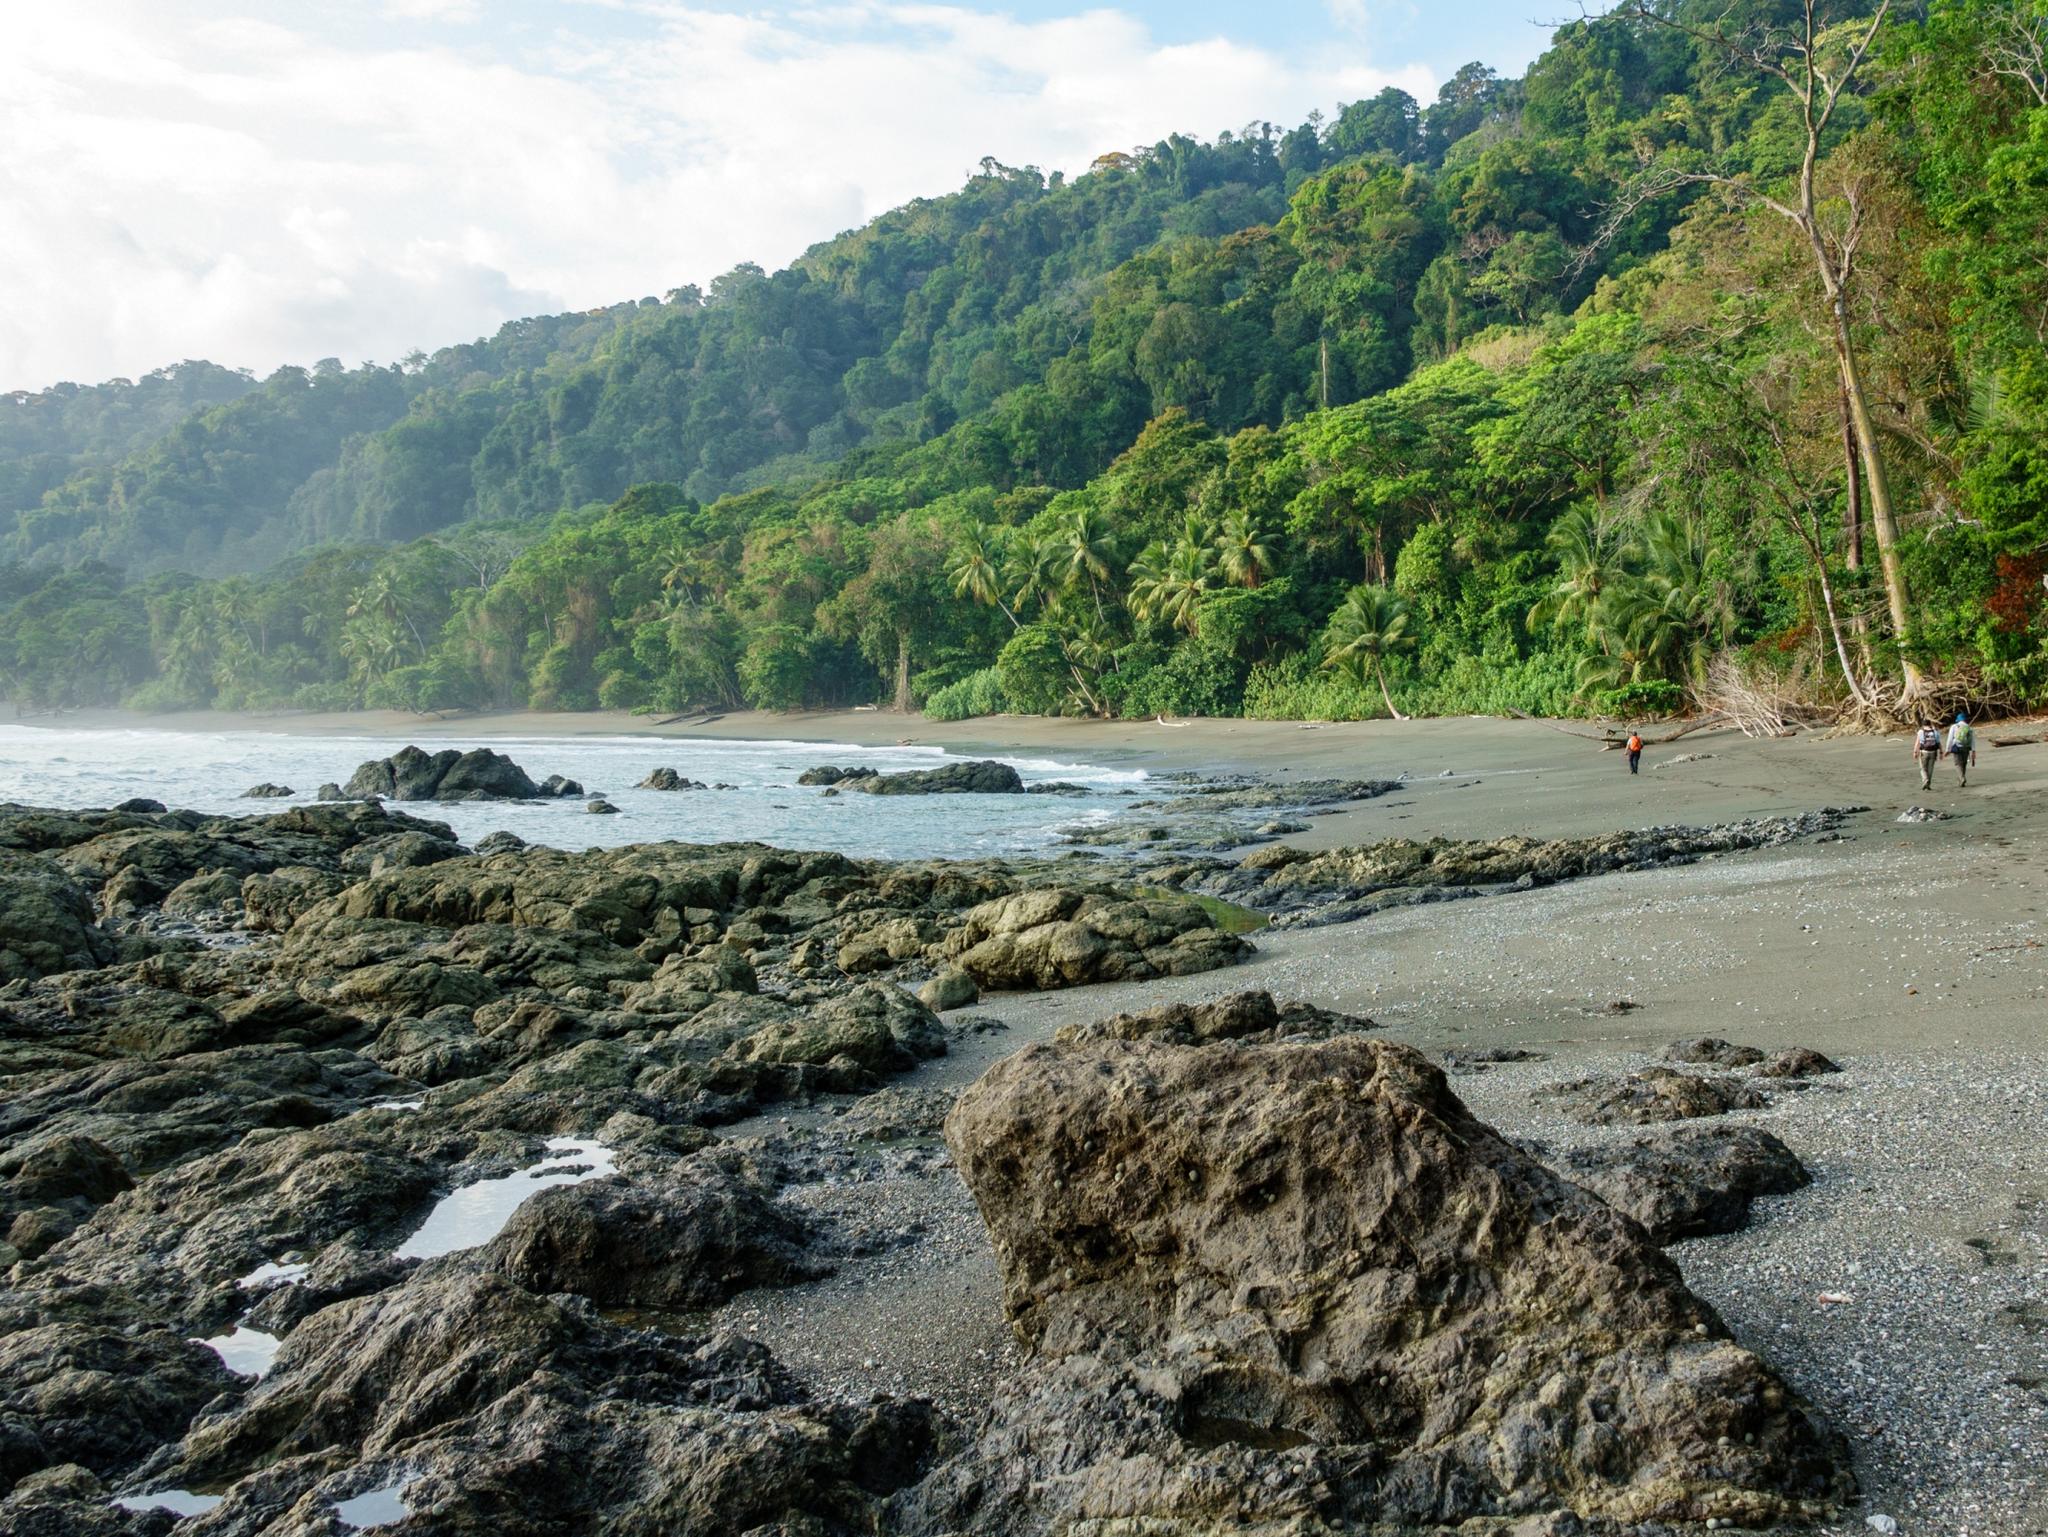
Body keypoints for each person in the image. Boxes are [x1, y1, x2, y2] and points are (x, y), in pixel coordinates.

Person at [1946, 712, 1977, 787]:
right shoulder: (1969, 727)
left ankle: (1962, 778)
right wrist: (1973, 750)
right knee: (1964, 764)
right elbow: (1972, 740)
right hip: (1966, 748)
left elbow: (1950, 739)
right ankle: (1961, 780)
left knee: (1957, 764)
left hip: (1956, 747)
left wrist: (1948, 749)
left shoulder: (1954, 726)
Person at [1913, 720, 1943, 790]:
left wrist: (1915, 752)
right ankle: (1928, 785)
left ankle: (1925, 780)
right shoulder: (1935, 732)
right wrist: (1941, 752)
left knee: (1923, 768)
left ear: (1923, 725)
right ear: (1930, 724)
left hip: (1924, 752)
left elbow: (1917, 743)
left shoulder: (1920, 732)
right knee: (1930, 769)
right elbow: (1938, 743)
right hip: (1933, 752)